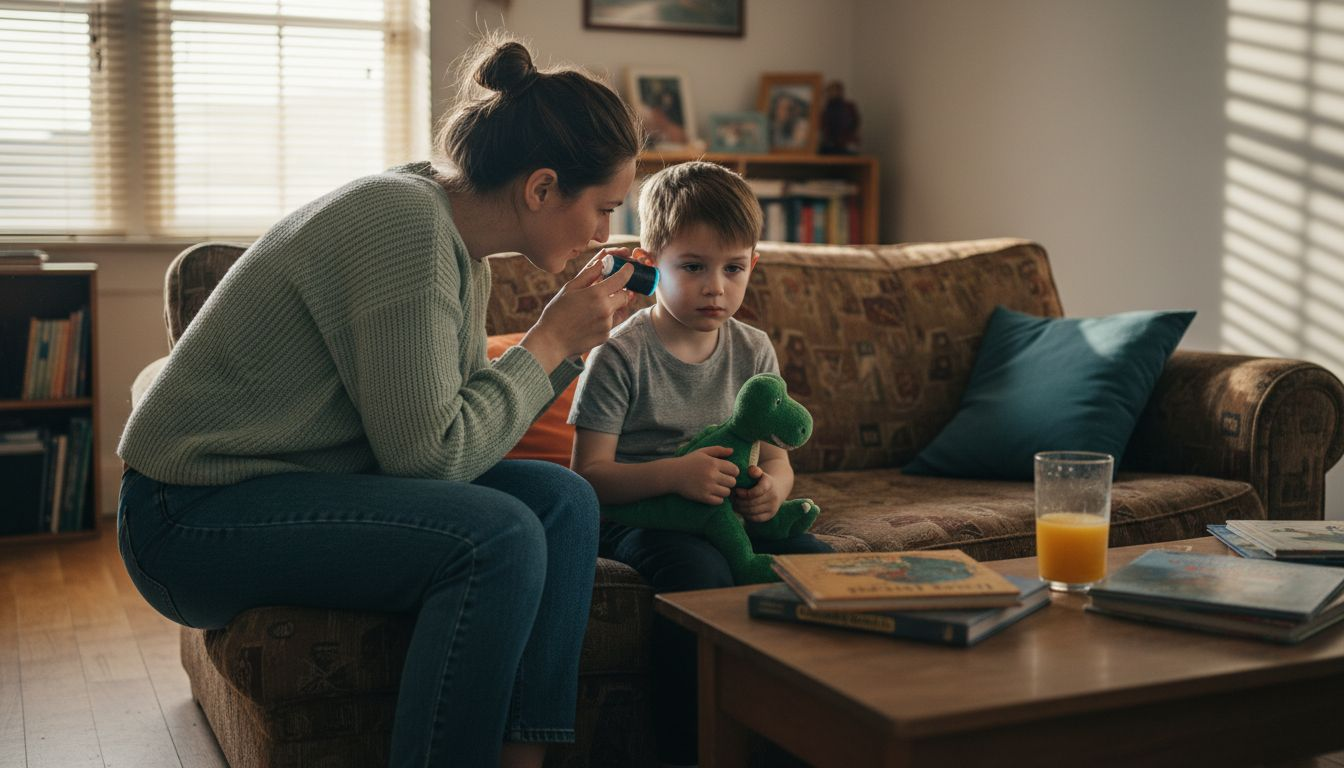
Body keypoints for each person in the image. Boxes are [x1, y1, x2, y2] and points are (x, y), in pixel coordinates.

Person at [116, 34, 642, 768]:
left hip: (293, 488)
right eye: (604, 207)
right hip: (189, 517)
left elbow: (452, 427)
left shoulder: (457, 244)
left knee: (563, 503)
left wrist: (565, 343)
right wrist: (548, 343)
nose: (605, 234)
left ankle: (523, 758)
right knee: (499, 535)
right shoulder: (403, 225)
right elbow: (431, 461)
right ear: (542, 187)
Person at [568, 161, 831, 766]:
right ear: (650, 258)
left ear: (752, 266)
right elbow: (588, 481)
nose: (716, 287)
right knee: (701, 572)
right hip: (642, 519)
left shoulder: (753, 348)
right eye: (693, 267)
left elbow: (777, 460)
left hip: (730, 517)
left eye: (733, 268)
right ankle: (694, 746)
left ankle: (804, 738)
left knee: (819, 568)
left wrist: (771, 490)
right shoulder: (619, 353)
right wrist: (675, 476)